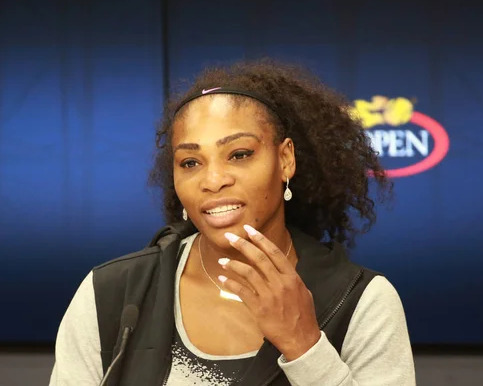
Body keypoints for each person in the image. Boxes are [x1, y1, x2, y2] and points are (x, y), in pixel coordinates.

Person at [49, 59, 415, 386]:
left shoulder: (362, 302)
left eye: (239, 155)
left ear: (285, 159)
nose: (213, 180)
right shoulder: (110, 293)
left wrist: (306, 348)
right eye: (191, 162)